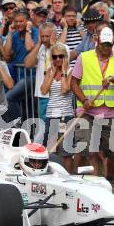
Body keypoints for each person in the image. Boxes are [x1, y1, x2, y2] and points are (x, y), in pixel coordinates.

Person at [71, 27, 114, 181]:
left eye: (109, 45)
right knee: (89, 149)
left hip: (110, 114)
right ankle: (93, 183)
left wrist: (113, 79)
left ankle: (109, 178)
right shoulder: (84, 57)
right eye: (104, 44)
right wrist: (84, 100)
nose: (106, 48)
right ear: (97, 42)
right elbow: (74, 83)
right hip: (87, 112)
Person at [40, 43, 75, 173]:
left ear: (65, 57)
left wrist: (64, 72)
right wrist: (52, 73)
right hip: (51, 115)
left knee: (66, 150)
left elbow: (65, 90)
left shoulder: (70, 71)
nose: (58, 59)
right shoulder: (50, 70)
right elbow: (43, 90)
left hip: (65, 115)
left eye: (61, 56)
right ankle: (49, 174)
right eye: (54, 57)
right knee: (49, 148)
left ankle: (68, 177)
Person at [4, 9, 38, 119]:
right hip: (19, 76)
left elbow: (29, 47)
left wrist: (28, 30)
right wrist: (9, 33)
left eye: (21, 21)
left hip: (33, 76)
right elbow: (7, 55)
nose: (18, 24)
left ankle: (18, 124)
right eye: (16, 21)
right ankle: (26, 130)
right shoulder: (15, 35)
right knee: (27, 108)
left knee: (9, 98)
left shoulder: (35, 31)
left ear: (28, 21)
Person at [24, 22, 60, 123]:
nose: (44, 39)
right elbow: (27, 64)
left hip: (57, 96)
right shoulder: (40, 48)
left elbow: (59, 64)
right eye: (42, 36)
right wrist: (38, 44)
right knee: (44, 127)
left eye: (47, 36)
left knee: (58, 128)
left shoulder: (62, 48)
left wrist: (53, 44)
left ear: (54, 35)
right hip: (42, 95)